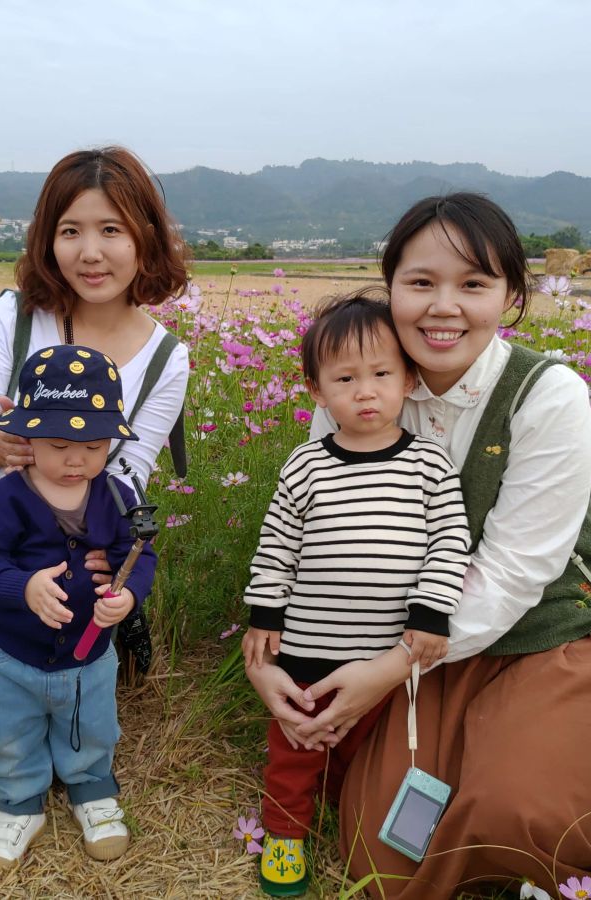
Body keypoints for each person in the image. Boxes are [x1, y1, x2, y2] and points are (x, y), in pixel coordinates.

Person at [244, 193, 591, 899]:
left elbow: (513, 573)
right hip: (421, 651)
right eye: (420, 283)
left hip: (553, 633)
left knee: (521, 809)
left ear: (510, 295)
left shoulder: (546, 393)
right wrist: (271, 653)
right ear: (391, 289)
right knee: (379, 849)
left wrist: (387, 669)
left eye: (473, 284)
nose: (444, 307)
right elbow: (313, 534)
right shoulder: (356, 383)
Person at [0, 146, 190, 779]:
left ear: (145, 237)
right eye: (70, 231)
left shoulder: (165, 357)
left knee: (71, 684)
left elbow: (132, 471)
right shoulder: (15, 317)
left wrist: (98, 536)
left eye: (111, 230)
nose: (89, 252)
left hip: (82, 527)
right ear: (48, 239)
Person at [241, 291, 470, 897]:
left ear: (410, 380)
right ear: (316, 391)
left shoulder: (430, 465)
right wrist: (265, 612)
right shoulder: (306, 464)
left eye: (382, 375)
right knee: (295, 749)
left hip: (384, 657)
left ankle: (345, 814)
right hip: (308, 652)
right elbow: (277, 544)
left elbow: (450, 543)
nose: (365, 392)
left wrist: (430, 614)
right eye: (345, 378)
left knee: (365, 757)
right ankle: (285, 832)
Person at [0, 345, 155, 876]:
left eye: (93, 446)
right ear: (25, 438)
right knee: (4, 726)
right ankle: (20, 799)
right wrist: (22, 588)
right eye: (59, 445)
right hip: (10, 650)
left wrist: (129, 593)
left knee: (90, 719)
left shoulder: (114, 496)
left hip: (89, 651)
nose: (76, 460)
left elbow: (138, 556)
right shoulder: (5, 499)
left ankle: (90, 784)